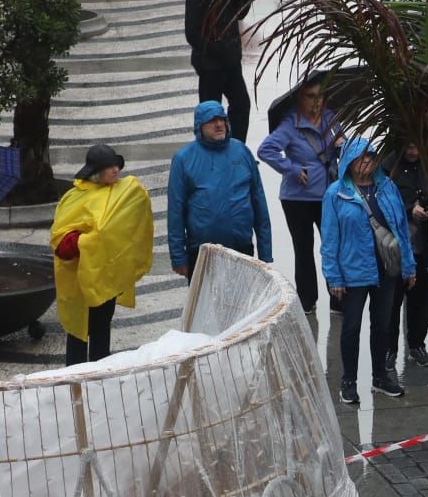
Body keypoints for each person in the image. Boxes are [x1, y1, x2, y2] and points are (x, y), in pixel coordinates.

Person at [322, 137, 417, 406]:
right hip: (353, 272)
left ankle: (380, 377)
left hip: (386, 269)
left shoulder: (387, 187)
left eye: (371, 156)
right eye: (361, 157)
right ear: (349, 161)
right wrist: (334, 276)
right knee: (351, 327)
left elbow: (401, 229)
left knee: (383, 325)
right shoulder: (335, 194)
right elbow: (329, 239)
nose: (366, 161)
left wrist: (409, 265)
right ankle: (348, 382)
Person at [51, 144, 154, 366]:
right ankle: (75, 378)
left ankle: (101, 377)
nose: (116, 170)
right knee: (78, 334)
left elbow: (134, 220)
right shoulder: (75, 198)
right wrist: (88, 241)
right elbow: (61, 243)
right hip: (80, 281)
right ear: (97, 172)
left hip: (107, 279)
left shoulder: (124, 192)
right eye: (109, 166)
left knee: (101, 329)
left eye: (116, 165)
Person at [257, 77, 343, 313]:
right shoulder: (289, 124)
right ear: (299, 99)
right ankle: (307, 299)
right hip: (297, 199)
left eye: (320, 96)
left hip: (328, 195)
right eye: (310, 96)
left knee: (333, 245)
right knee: (303, 249)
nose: (317, 102)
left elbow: (343, 148)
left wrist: (341, 144)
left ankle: (338, 297)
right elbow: (265, 150)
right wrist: (292, 169)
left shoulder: (331, 119)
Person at [168, 101, 273, 277]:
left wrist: (265, 254)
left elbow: (259, 202)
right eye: (211, 120)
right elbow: (175, 210)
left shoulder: (242, 152)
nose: (218, 124)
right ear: (199, 126)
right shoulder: (183, 159)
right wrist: (178, 257)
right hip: (203, 253)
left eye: (222, 119)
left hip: (242, 250)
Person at [387, 143, 428, 369]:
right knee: (391, 301)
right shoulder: (389, 166)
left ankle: (417, 344)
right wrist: (409, 209)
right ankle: (389, 349)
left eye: (417, 148)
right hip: (394, 246)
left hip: (423, 246)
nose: (414, 153)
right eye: (409, 147)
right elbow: (383, 201)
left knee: (421, 299)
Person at [184, 0, 252, 143]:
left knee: (241, 105)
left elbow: (239, 14)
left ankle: (236, 148)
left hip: (231, 63)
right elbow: (192, 33)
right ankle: (210, 150)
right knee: (210, 113)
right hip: (210, 66)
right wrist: (218, 48)